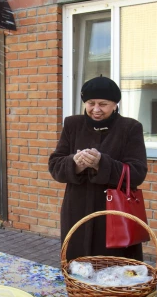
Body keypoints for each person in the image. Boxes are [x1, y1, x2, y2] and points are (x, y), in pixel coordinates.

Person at [48, 76, 147, 261]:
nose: (96, 109)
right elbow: (55, 166)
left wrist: (101, 163)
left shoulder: (130, 128)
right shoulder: (72, 125)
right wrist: (75, 164)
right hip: (77, 210)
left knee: (115, 272)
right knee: (77, 269)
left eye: (103, 104)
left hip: (115, 214)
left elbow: (137, 173)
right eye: (90, 103)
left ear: (115, 104)